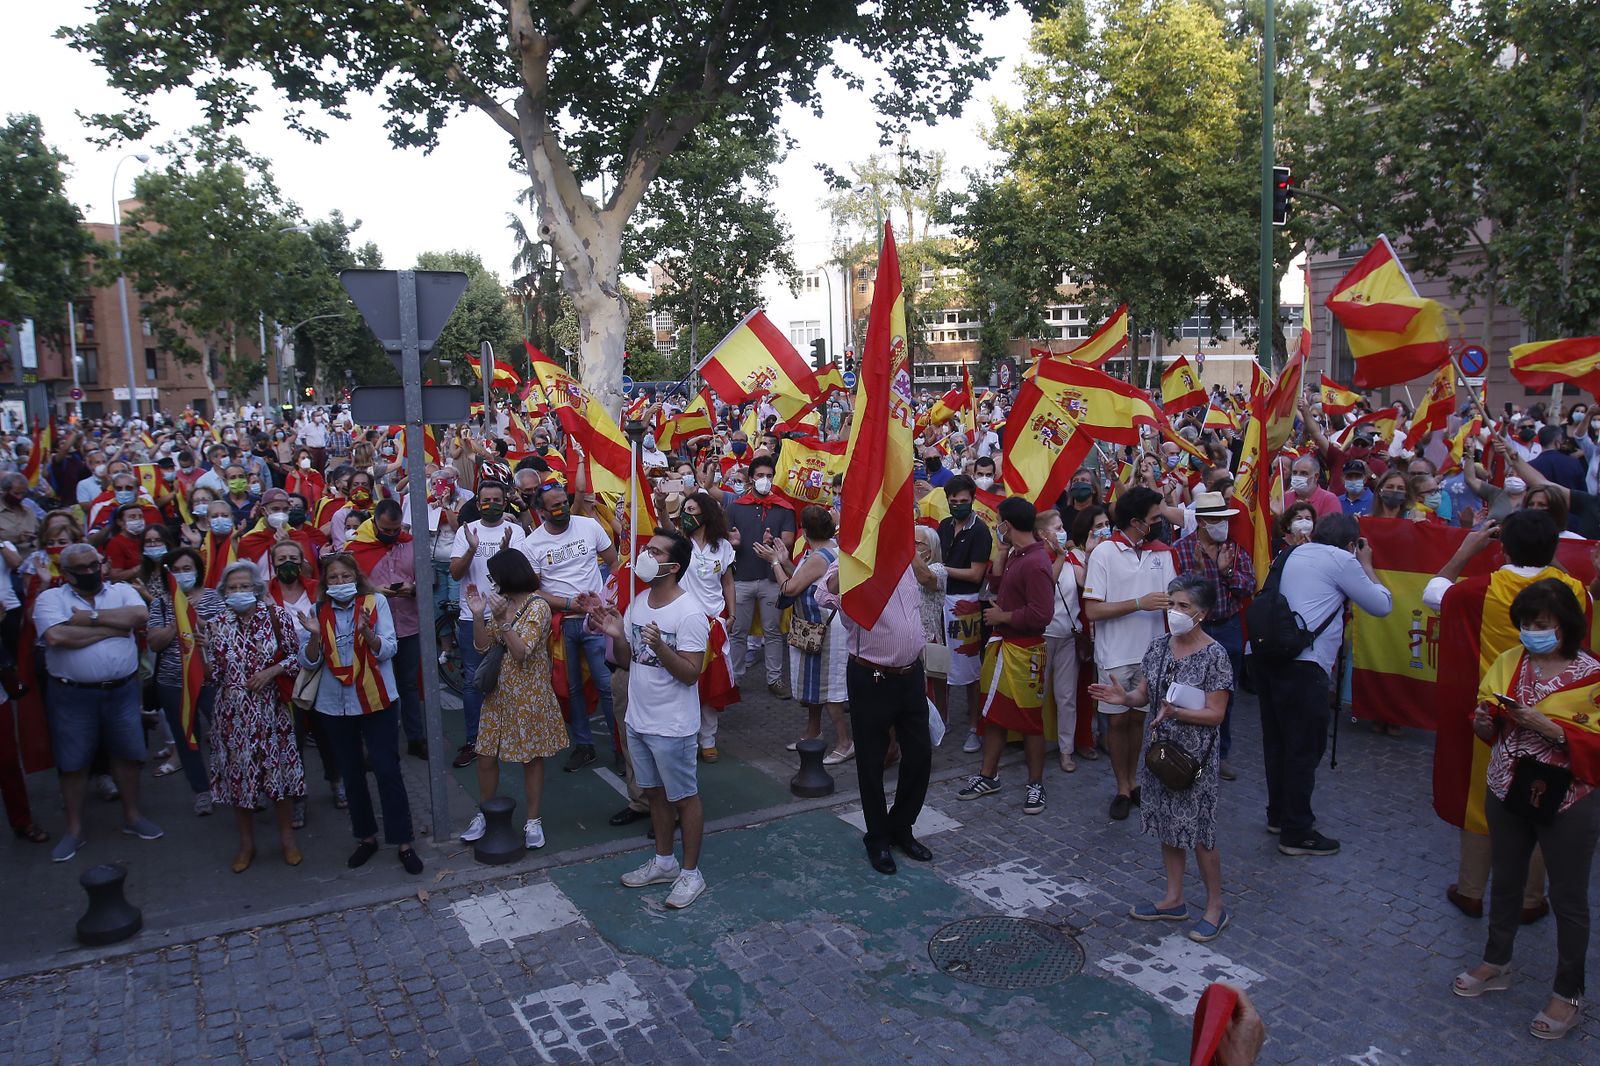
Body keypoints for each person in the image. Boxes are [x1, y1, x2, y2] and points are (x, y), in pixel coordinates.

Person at [1451, 579, 1600, 1041]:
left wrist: (1553, 731)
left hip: (1569, 800)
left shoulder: (1592, 677)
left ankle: (1568, 992)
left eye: (1542, 625)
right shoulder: (1510, 662)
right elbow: (1490, 723)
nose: (1532, 632)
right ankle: (1497, 961)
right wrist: (1483, 722)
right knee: (1508, 878)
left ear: (1566, 626)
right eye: (1526, 624)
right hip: (1506, 788)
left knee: (1570, 898)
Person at [1427, 511, 1578, 922]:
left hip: (1494, 710)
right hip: (1555, 712)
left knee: (1481, 801)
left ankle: (1472, 891)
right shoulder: (1574, 592)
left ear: (1502, 546)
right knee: (1540, 800)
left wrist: (1464, 551)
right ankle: (1531, 899)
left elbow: (1433, 591)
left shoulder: (1481, 590)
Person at [1091, 574, 1234, 942]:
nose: (1175, 612)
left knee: (1201, 833)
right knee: (1168, 826)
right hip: (1160, 755)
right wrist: (1124, 699)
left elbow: (1216, 714)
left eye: (1183, 606)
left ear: (1201, 613)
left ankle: (1215, 906)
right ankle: (1174, 899)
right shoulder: (1157, 647)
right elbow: (1144, 695)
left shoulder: (1214, 656)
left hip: (1194, 758)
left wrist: (1177, 713)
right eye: (1172, 604)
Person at [1256, 513, 1392, 856]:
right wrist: (1367, 564)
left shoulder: (1293, 552)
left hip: (1272, 659)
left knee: (1277, 744)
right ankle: (1297, 830)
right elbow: (1381, 605)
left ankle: (1278, 815)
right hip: (1306, 666)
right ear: (1351, 544)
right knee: (1303, 749)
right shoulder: (1343, 559)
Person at [588, 529, 710, 909]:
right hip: (638, 721)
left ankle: (691, 874)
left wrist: (661, 647)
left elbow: (691, 673)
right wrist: (616, 634)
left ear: (672, 567)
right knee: (654, 794)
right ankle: (664, 862)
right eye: (647, 548)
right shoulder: (639, 602)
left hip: (672, 726)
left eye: (654, 551)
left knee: (684, 798)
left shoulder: (690, 614)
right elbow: (629, 660)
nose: (645, 554)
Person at [33, 543, 163, 862]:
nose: (91, 572)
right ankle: (74, 830)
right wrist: (111, 630)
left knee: (128, 754)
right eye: (82, 569)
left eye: (95, 565)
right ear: (66, 573)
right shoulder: (50, 599)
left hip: (121, 691)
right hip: (72, 694)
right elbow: (56, 638)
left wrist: (87, 619)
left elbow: (138, 615)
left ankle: (133, 817)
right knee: (74, 761)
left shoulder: (120, 591)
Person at [294, 553, 422, 875]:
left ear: (356, 577)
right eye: (333, 578)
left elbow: (389, 649)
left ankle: (403, 841)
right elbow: (309, 662)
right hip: (334, 704)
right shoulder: (317, 611)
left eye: (345, 577)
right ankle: (365, 837)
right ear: (325, 583)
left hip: (376, 698)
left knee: (386, 769)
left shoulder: (375, 603)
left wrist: (368, 635)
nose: (339, 583)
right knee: (351, 772)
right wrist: (312, 635)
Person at [459, 549, 566, 850]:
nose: (491, 582)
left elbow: (521, 652)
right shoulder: (499, 604)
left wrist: (503, 620)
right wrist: (479, 614)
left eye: (494, 576)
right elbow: (482, 647)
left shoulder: (538, 606)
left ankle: (533, 821)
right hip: (498, 694)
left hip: (529, 694)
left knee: (530, 758)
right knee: (485, 755)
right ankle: (485, 812)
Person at [1083, 487, 1178, 820]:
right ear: (1137, 522)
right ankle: (1121, 785)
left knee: (1139, 719)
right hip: (1115, 654)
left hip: (1152, 653)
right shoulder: (1104, 553)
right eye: (1154, 518)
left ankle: (1133, 781)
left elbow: (1175, 601)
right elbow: (1092, 611)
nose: (1159, 522)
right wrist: (1139, 603)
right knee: (1117, 719)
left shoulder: (1162, 553)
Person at [202, 561, 304, 872]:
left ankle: (287, 839)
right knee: (239, 780)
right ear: (224, 592)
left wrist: (272, 671)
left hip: (271, 709)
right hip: (232, 714)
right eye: (232, 588)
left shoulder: (276, 617)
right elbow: (214, 676)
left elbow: (295, 657)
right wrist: (204, 654)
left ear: (256, 589)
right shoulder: (216, 624)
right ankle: (246, 844)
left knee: (279, 777)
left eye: (244, 586)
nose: (239, 592)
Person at [956, 496, 1056, 812]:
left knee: (1029, 721)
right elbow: (997, 584)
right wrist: (1000, 553)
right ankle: (989, 775)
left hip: (1024, 651)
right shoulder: (1017, 554)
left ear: (1007, 525)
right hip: (1003, 647)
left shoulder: (1037, 562)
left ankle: (1036, 784)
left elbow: (1042, 614)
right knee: (993, 713)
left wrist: (1004, 618)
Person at [526, 480, 620, 772]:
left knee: (606, 686)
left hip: (596, 622)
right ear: (541, 512)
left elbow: (614, 563)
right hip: (562, 625)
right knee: (571, 688)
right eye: (555, 507)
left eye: (564, 503)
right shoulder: (531, 544)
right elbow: (533, 591)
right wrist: (568, 604)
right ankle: (584, 745)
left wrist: (609, 600)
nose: (562, 509)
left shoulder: (588, 526)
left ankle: (622, 749)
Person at [1171, 491, 1254, 782]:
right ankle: (1185, 750)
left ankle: (1221, 754)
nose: (1222, 524)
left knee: (1224, 695)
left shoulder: (1234, 549)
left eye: (1224, 518)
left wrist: (1228, 572)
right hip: (1195, 630)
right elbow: (1175, 592)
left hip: (1228, 627)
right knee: (1189, 691)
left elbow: (1248, 586)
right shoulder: (1181, 550)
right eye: (1217, 519)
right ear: (1203, 522)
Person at [760, 504, 852, 764]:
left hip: (826, 631)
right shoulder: (821, 551)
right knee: (814, 685)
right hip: (812, 628)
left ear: (804, 531)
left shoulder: (819, 556)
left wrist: (775, 563)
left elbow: (790, 588)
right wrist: (785, 560)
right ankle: (813, 731)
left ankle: (845, 742)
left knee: (829, 689)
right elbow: (802, 577)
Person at [448, 481, 526, 768]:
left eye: (496, 499)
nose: (491, 503)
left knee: (512, 676)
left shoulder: (515, 532)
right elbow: (456, 573)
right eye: (486, 499)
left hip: (507, 615)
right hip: (474, 616)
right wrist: (471, 549)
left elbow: (518, 576)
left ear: (505, 502)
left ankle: (510, 736)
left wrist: (505, 552)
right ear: (478, 502)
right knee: (473, 680)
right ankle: (474, 740)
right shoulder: (465, 531)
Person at [145, 545, 225, 816]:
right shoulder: (160, 603)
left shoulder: (214, 597)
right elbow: (154, 643)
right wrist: (177, 621)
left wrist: (198, 620)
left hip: (211, 679)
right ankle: (202, 791)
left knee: (227, 733)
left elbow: (225, 634)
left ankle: (236, 784)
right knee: (186, 737)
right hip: (174, 682)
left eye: (187, 569)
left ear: (197, 571)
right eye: (176, 570)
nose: (182, 575)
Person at [346, 499, 427, 759]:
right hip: (374, 629)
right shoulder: (356, 549)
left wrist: (412, 589)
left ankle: (415, 738)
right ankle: (377, 745)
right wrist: (373, 591)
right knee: (373, 685)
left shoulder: (412, 544)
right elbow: (346, 586)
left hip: (408, 625)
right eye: (386, 530)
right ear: (375, 522)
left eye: (395, 530)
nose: (391, 535)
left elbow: (427, 580)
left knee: (408, 684)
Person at [665, 490, 740, 761]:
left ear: (705, 514)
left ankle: (708, 740)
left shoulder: (723, 546)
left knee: (711, 683)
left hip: (715, 624)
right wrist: (662, 505)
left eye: (693, 511)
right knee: (685, 683)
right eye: (685, 510)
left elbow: (727, 582)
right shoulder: (678, 543)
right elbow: (663, 526)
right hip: (684, 621)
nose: (687, 516)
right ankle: (683, 738)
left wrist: (731, 615)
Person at [724, 454, 797, 699]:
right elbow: (725, 540)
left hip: (771, 580)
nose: (764, 480)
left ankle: (774, 679)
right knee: (738, 632)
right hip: (741, 579)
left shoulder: (784, 508)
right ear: (751, 479)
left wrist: (774, 542)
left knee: (773, 631)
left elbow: (788, 540)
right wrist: (732, 543)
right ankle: (734, 680)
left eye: (768, 476)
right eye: (760, 476)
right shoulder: (734, 507)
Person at [937, 474, 994, 754]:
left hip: (967, 605)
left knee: (970, 669)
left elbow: (975, 573)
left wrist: (942, 570)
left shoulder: (980, 531)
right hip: (941, 601)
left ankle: (974, 727)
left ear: (972, 500)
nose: (958, 505)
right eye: (953, 501)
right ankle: (941, 719)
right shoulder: (944, 526)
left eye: (963, 501)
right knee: (939, 665)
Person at [1035, 508, 1082, 772]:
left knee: (1066, 697)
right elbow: (1045, 588)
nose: (1063, 533)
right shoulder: (1037, 559)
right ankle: (1036, 747)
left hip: (1068, 636)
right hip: (1043, 637)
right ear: (1042, 534)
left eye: (1063, 528)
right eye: (1057, 528)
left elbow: (1086, 583)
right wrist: (1061, 557)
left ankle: (1066, 751)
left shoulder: (1072, 558)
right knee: (1038, 696)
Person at [1287, 455, 1342, 519]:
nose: (1297, 476)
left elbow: (1332, 527)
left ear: (1316, 477)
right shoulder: (1286, 498)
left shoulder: (1329, 499)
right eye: (1294, 473)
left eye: (1304, 473)